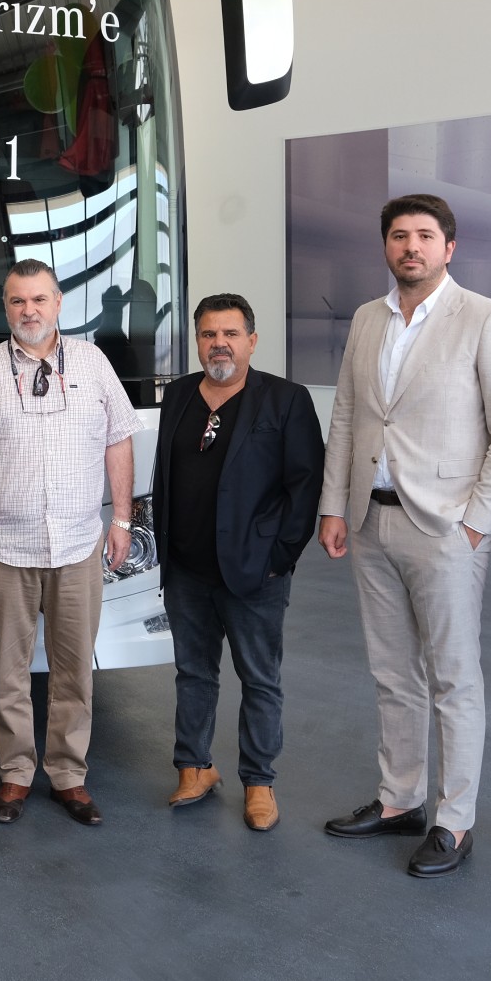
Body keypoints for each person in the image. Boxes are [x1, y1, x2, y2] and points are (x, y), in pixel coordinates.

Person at [317, 193, 491, 877]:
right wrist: (333, 505)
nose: (410, 247)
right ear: (386, 245)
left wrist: (476, 523)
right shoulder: (367, 318)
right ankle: (400, 799)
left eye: (424, 235)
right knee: (391, 670)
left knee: (452, 676)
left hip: (445, 526)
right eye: (398, 236)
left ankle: (454, 819)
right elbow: (348, 416)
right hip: (371, 519)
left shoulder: (488, 319)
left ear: (449, 246)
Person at [0, 259, 142, 827]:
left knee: (74, 670)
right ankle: (15, 772)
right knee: (8, 672)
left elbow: (119, 441)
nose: (28, 310)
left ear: (58, 302)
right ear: (6, 308)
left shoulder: (93, 362)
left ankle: (69, 776)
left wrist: (122, 519)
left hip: (78, 544)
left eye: (38, 299)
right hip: (4, 546)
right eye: (17, 301)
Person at [150, 293, 324, 832]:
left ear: (251, 340)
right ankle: (194, 767)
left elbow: (305, 486)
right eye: (208, 334)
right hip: (186, 568)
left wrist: (280, 558)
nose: (218, 344)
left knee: (260, 679)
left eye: (230, 334)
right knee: (193, 673)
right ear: (197, 341)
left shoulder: (286, 399)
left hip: (254, 570)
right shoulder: (179, 394)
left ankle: (259, 782)